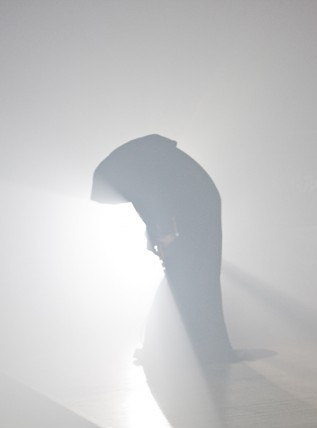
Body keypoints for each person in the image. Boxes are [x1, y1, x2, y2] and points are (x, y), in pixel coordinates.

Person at [91, 134, 234, 365]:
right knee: (190, 274)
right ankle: (199, 346)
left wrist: (165, 233)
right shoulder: (135, 167)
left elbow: (154, 200)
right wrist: (158, 234)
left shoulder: (135, 171)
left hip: (198, 204)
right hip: (195, 202)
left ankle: (202, 347)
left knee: (196, 275)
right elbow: (148, 205)